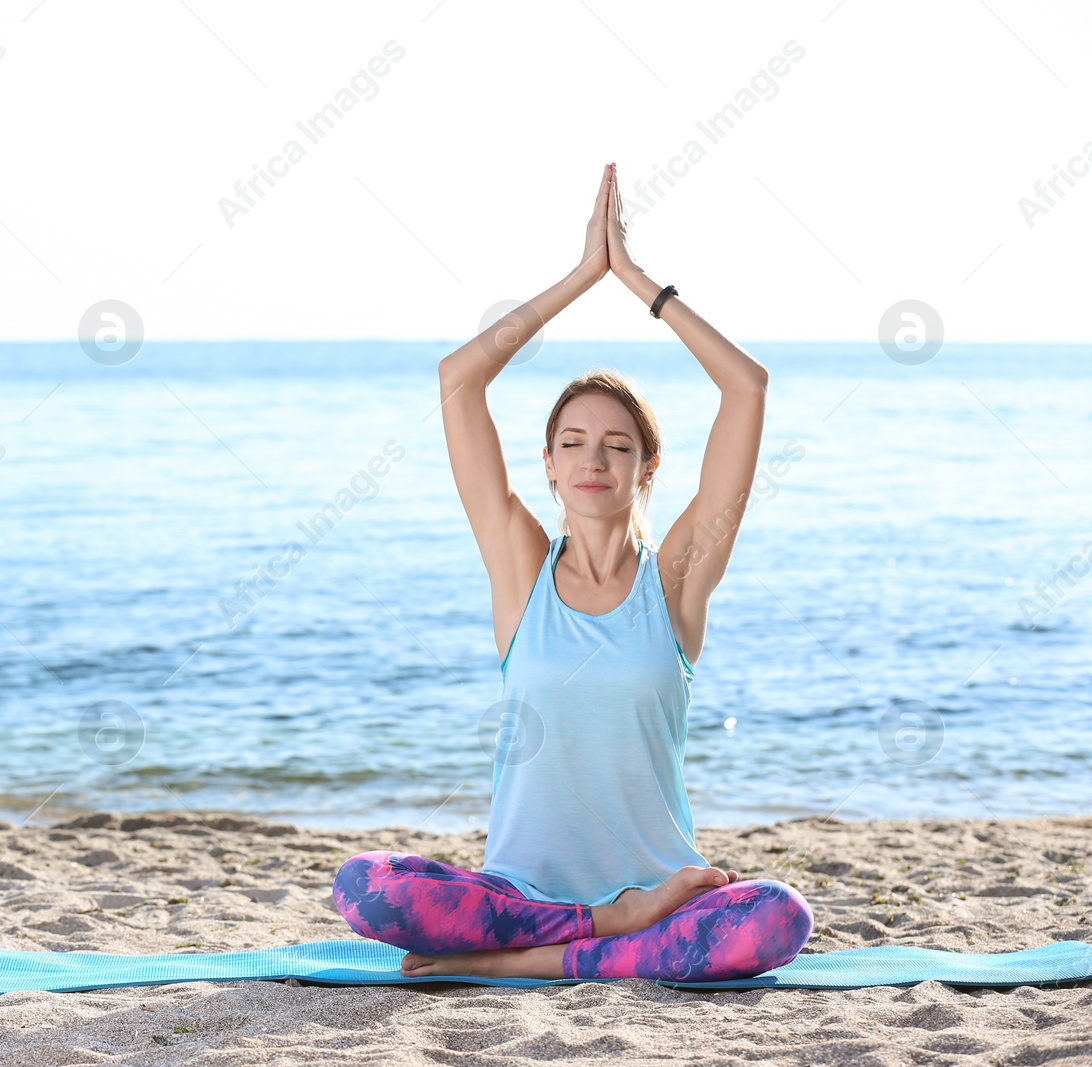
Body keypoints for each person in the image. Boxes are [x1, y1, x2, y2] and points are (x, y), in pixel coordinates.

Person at [331, 163, 812, 982]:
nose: (594, 459)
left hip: (664, 887)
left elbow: (747, 385)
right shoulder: (520, 567)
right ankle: (598, 932)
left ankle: (519, 964)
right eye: (573, 443)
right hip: (525, 894)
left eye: (617, 445)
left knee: (780, 917)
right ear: (548, 465)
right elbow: (458, 378)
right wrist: (581, 277)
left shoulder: (678, 581)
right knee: (364, 888)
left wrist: (637, 284)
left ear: (647, 468)